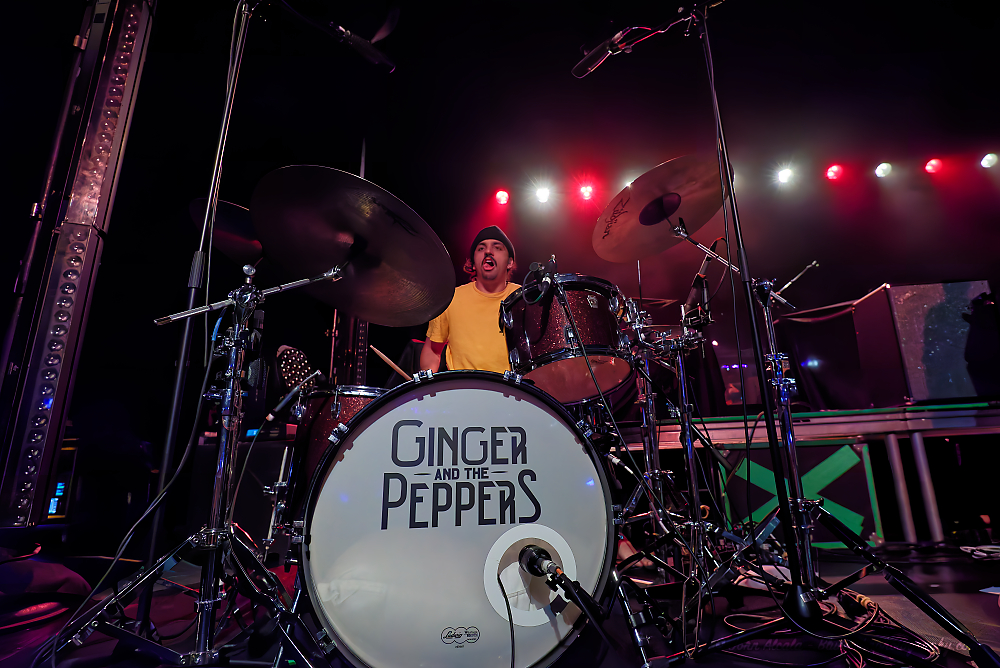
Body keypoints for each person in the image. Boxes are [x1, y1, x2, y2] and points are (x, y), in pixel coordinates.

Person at [420, 226, 519, 373]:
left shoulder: (523, 298)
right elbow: (433, 350)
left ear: (510, 262)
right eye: (481, 248)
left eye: (497, 248)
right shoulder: (451, 299)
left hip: (512, 392)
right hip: (462, 390)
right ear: (472, 263)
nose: (488, 251)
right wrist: (428, 385)